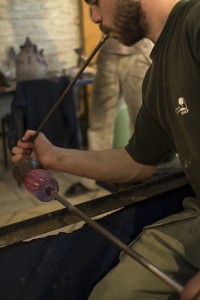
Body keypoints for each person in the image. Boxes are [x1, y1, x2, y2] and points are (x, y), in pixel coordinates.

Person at [11, 0, 200, 299]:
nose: (95, 16)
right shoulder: (157, 75)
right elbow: (136, 162)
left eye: (96, 2)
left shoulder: (196, 21)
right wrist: (54, 157)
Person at [66, 37, 153, 195]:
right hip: (108, 55)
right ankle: (91, 180)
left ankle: (145, 175)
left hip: (139, 54)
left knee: (142, 121)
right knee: (99, 121)